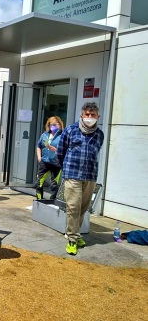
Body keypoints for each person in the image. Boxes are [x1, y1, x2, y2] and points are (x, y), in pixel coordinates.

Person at [57, 102, 104, 256]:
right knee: (73, 207)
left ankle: (76, 234)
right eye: (87, 114)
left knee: (83, 207)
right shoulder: (71, 130)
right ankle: (71, 238)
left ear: (98, 117)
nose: (90, 117)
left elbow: (95, 153)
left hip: (90, 175)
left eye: (93, 115)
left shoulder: (99, 134)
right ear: (82, 115)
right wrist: (66, 169)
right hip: (72, 174)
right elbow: (60, 152)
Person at [35, 116, 64, 200]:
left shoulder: (63, 136)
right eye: (51, 124)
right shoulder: (45, 135)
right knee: (38, 183)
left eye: (55, 124)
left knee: (54, 185)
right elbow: (38, 146)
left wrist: (56, 150)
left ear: (60, 124)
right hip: (44, 162)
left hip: (56, 163)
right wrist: (39, 157)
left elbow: (66, 149)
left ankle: (53, 201)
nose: (53, 126)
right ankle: (38, 201)